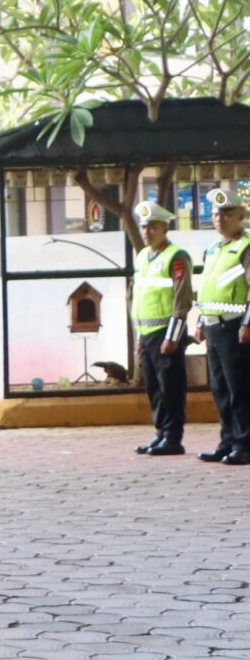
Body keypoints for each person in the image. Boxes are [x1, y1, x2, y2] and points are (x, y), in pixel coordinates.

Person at [134, 200, 193, 457]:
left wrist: (173, 336)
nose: (146, 232)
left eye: (152, 227)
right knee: (154, 388)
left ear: (165, 229)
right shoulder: (142, 256)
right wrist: (139, 336)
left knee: (171, 387)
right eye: (144, 226)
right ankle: (161, 433)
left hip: (166, 332)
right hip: (147, 333)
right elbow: (139, 297)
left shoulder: (176, 257)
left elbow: (182, 300)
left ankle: (173, 437)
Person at [197, 189, 250, 465]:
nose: (220, 218)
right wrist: (200, 320)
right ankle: (227, 441)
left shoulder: (246, 246)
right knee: (220, 389)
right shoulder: (214, 249)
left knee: (239, 389)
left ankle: (244, 445)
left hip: (234, 327)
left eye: (227, 212)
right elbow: (207, 288)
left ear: (241, 215)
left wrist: (247, 323)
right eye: (216, 213)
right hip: (213, 327)